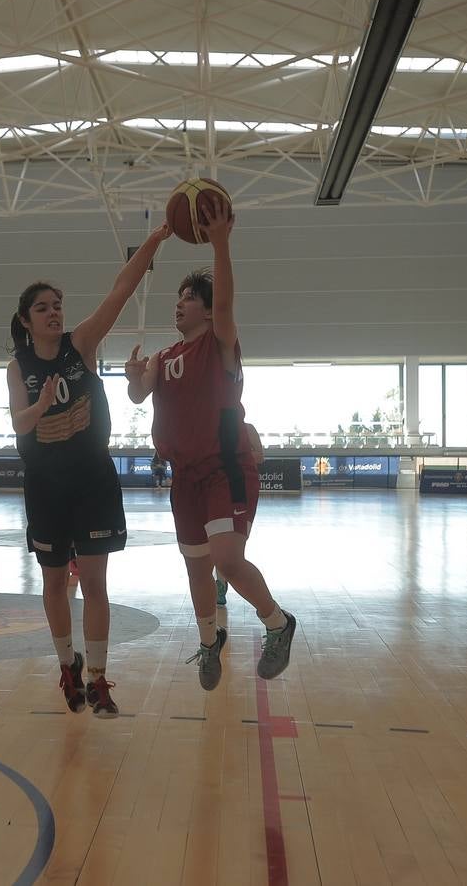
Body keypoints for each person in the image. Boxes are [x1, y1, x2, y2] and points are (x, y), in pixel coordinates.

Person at [126, 201, 296, 692]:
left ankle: (278, 623)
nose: (179, 304)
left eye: (188, 298)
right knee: (197, 567)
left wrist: (220, 241)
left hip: (225, 466)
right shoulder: (163, 355)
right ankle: (208, 642)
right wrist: (133, 379)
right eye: (177, 298)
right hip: (185, 477)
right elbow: (140, 394)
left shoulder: (219, 342)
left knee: (226, 559)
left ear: (205, 306)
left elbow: (225, 305)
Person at [8, 222, 172, 717]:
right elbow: (19, 425)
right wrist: (40, 405)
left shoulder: (81, 345)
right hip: (45, 486)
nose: (54, 312)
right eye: (43, 307)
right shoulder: (19, 367)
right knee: (55, 583)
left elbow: (121, 290)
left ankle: (99, 679)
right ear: (26, 319)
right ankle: (67, 666)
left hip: (92, 480)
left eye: (57, 305)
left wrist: (156, 240)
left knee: (97, 583)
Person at [215, 423, 263, 607]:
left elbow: (260, 456)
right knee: (212, 542)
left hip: (238, 489)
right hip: (213, 488)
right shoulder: (208, 426)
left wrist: (234, 456)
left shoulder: (248, 429)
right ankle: (220, 583)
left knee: (228, 545)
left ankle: (222, 582)